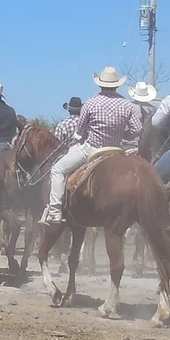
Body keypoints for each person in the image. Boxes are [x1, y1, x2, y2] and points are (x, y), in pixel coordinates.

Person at [42, 67, 146, 225]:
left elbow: (80, 133)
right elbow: (137, 130)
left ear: (100, 85)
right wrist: (123, 135)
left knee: (58, 169)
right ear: (117, 85)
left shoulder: (90, 103)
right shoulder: (127, 104)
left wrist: (84, 136)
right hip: (117, 150)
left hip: (92, 149)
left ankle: (55, 211)